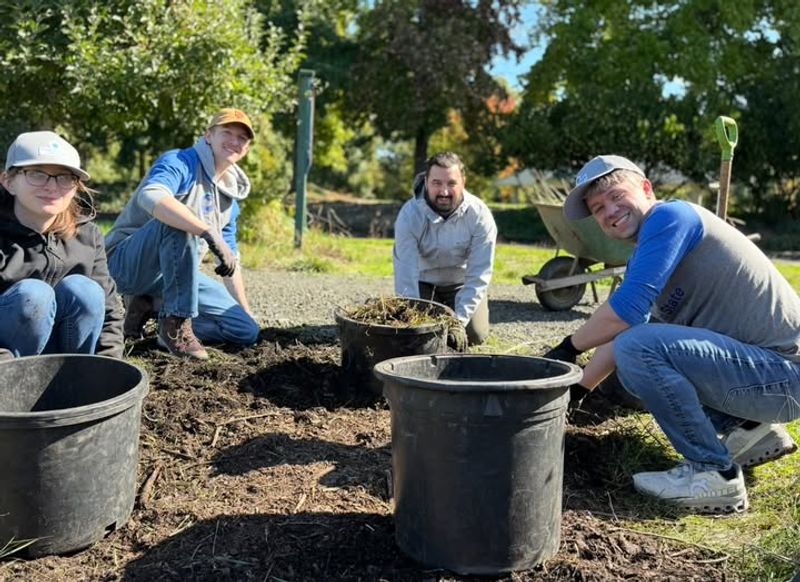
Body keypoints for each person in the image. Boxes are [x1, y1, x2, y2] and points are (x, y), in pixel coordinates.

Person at [544, 155, 800, 514]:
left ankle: (715, 474)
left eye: (617, 196)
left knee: (639, 353)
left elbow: (625, 318)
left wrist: (566, 348)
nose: (609, 211)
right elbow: (624, 329)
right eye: (598, 208)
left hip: (785, 375)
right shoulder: (648, 252)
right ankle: (751, 428)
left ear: (646, 188)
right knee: (638, 351)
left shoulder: (670, 217)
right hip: (770, 379)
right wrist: (578, 390)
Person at [105, 108, 260, 360]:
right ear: (208, 135)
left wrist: (246, 311)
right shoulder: (180, 161)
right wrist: (206, 230)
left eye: (242, 138)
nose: (234, 141)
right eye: (227, 133)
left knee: (245, 330)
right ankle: (175, 324)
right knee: (179, 221)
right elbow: (151, 195)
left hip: (173, 277)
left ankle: (152, 310)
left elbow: (231, 262)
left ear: (247, 148)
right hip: (125, 265)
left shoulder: (229, 199)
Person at [0, 131, 124, 359]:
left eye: (65, 177)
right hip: (8, 360)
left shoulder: (88, 235)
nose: (52, 187)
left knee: (85, 291)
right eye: (37, 174)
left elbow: (109, 309)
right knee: (34, 296)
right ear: (8, 181)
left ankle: (77, 379)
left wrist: (108, 366)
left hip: (63, 357)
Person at [393, 151, 497, 345]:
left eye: (451, 183)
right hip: (423, 284)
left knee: (474, 335)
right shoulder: (409, 216)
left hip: (460, 284)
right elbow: (405, 274)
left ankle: (457, 315)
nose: (444, 192)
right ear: (426, 182)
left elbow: (479, 274)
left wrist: (458, 321)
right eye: (437, 183)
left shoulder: (480, 216)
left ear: (463, 183)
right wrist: (412, 318)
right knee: (417, 335)